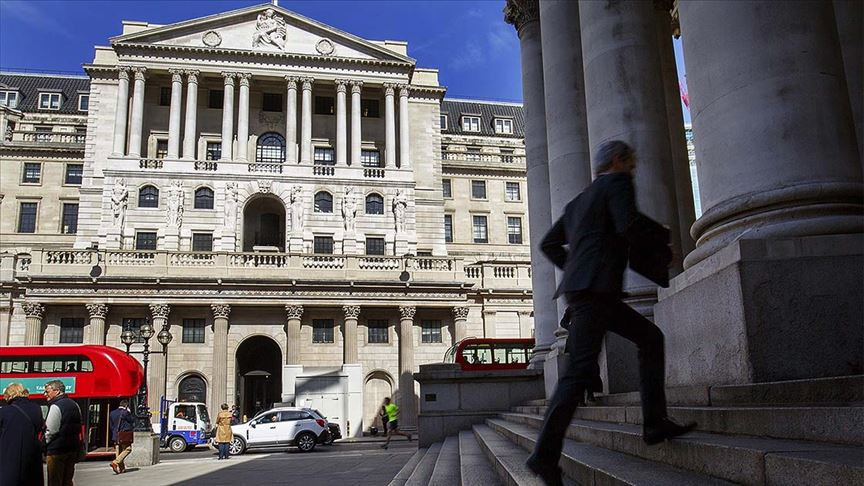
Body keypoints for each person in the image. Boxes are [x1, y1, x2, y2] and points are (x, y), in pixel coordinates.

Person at [525, 141, 696, 486]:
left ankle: (655, 423)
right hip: (597, 291)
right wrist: (663, 252)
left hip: (586, 291)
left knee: (649, 338)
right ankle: (544, 456)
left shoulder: (578, 201)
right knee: (579, 374)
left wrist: (577, 268)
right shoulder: (618, 183)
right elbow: (628, 225)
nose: (633, 169)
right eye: (631, 163)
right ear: (618, 161)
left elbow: (548, 244)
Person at [0, 383, 44, 486]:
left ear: (9, 394)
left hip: (9, 454)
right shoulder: (36, 409)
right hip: (32, 454)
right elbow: (39, 428)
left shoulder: (4, 411)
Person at [44, 379, 83, 486]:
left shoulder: (56, 406)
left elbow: (51, 430)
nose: (45, 394)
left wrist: (44, 444)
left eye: (47, 391)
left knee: (55, 481)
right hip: (72, 448)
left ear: (56, 391)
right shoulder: (75, 404)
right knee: (67, 480)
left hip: (57, 450)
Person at [109, 400, 135, 474]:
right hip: (124, 434)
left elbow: (111, 426)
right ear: (126, 406)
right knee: (128, 449)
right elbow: (132, 420)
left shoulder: (112, 413)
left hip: (115, 435)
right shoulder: (125, 413)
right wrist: (129, 412)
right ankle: (115, 462)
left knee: (119, 451)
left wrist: (114, 433)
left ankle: (121, 468)